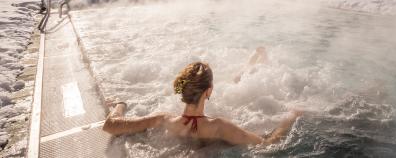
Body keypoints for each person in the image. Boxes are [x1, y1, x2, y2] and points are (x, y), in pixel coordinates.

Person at [102, 47, 301, 146]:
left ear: (183, 89)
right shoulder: (220, 127)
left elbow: (110, 125)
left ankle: (252, 62)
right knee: (236, 80)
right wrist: (290, 118)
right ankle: (255, 60)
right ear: (209, 91)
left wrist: (120, 104)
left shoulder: (163, 119)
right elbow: (267, 145)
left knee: (235, 79)